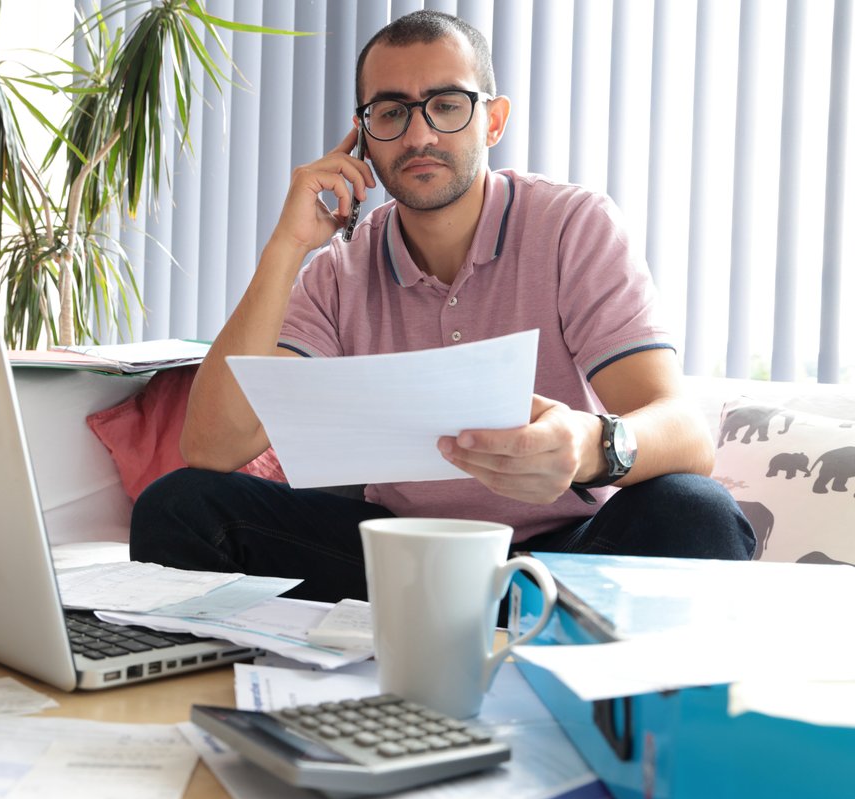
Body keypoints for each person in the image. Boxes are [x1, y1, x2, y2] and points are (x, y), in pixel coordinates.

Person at [131, 10, 754, 602]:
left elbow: (685, 431)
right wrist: (286, 247)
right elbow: (212, 449)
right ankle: (487, 637)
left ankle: (498, 637)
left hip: (563, 557)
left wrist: (588, 448)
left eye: (447, 106)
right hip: (395, 557)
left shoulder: (571, 225)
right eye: (391, 111)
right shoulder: (340, 269)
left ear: (493, 121)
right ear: (362, 137)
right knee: (181, 505)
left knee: (695, 509)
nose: (420, 134)